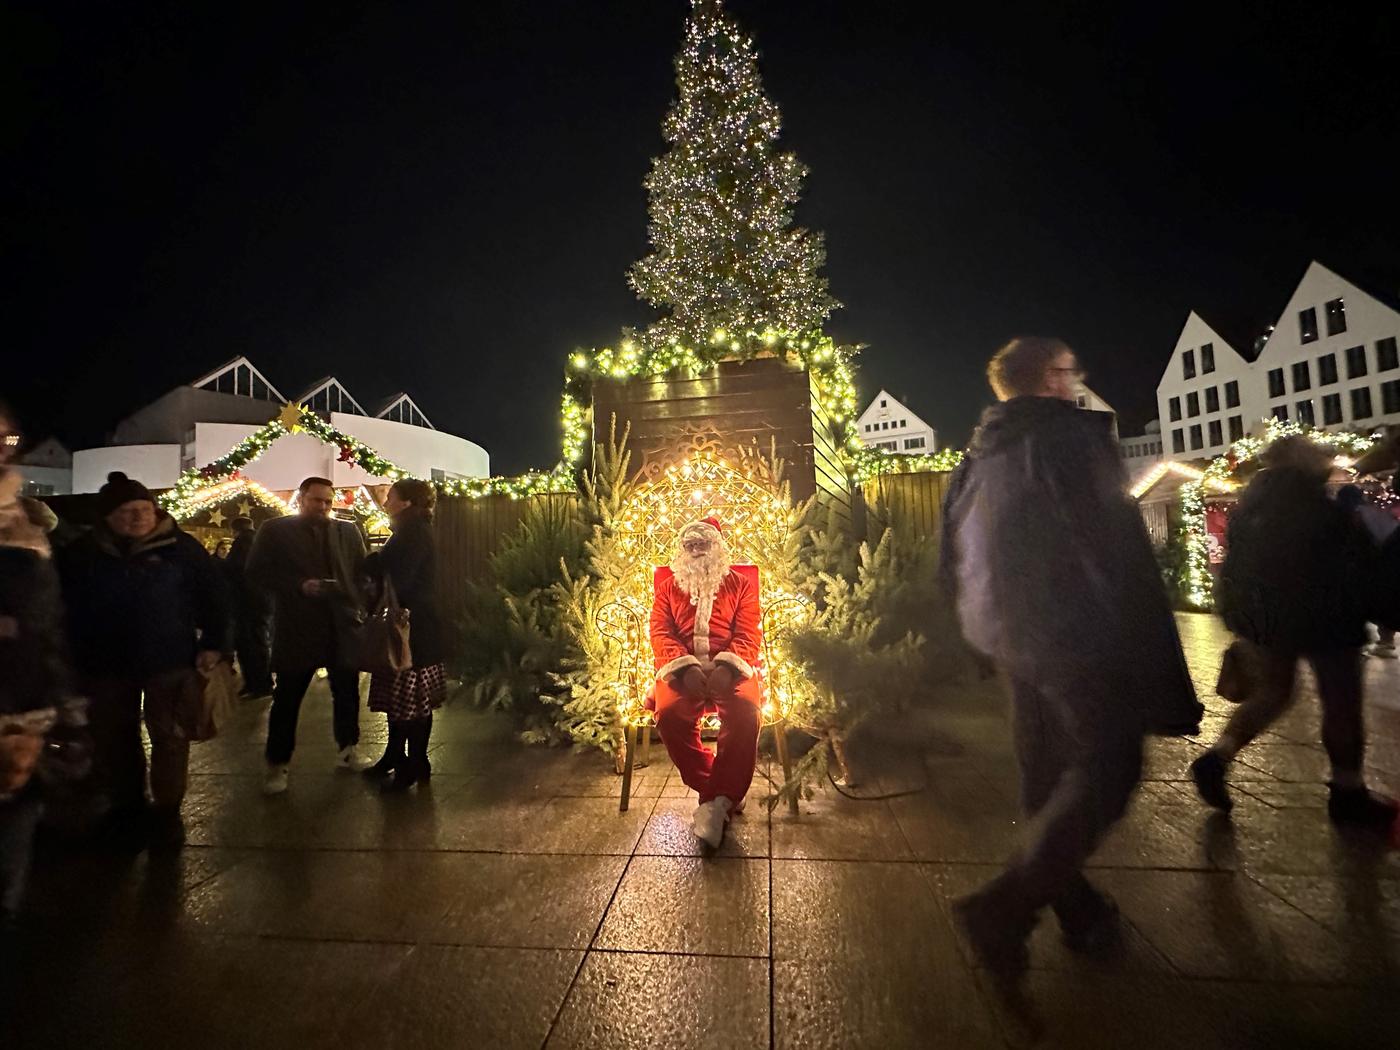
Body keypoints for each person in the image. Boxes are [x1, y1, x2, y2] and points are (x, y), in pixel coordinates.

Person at [940, 337, 1202, 982]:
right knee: (1109, 766)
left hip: (1010, 636)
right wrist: (1149, 651)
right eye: (1070, 372)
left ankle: (1078, 907)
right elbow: (1113, 544)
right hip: (1076, 633)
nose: (1075, 382)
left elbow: (949, 554)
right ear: (1054, 379)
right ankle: (1003, 909)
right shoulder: (1068, 439)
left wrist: (970, 635)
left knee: (1045, 770)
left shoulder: (977, 455)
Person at [1190, 439, 1396, 827]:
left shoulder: (1252, 506)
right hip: (1328, 619)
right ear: (1300, 459)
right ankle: (1348, 791)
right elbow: (1350, 556)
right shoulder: (1315, 503)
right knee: (1341, 701)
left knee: (1274, 693)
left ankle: (1217, 757)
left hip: (1269, 620)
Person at [56, 471, 229, 848]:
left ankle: (167, 811)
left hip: (168, 660)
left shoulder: (181, 548)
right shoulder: (83, 552)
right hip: (104, 663)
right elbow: (62, 605)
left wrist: (215, 643)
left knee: (169, 736)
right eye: (126, 511)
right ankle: (126, 805)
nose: (137, 517)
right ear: (107, 516)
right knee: (115, 738)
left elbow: (215, 597)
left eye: (143, 508)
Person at [0, 406, 86, 949]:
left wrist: (64, 704)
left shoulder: (24, 526)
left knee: (14, 826)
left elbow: (46, 625)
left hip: (22, 705)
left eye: (5, 435)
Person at [247, 477, 369, 794]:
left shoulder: (346, 530)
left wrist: (356, 598)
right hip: (296, 626)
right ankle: (277, 763)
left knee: (347, 692)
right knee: (287, 698)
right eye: (317, 501)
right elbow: (257, 573)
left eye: (328, 502)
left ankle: (348, 747)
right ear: (301, 498)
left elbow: (360, 570)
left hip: (339, 624)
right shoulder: (275, 530)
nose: (324, 508)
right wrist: (298, 585)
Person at [650, 516, 763, 848]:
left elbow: (748, 631)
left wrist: (728, 666)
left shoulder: (740, 585)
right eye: (690, 545)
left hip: (731, 668)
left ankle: (713, 803)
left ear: (718, 547)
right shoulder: (669, 588)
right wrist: (684, 669)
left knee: (746, 711)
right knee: (669, 715)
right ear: (682, 550)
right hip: (682, 671)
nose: (697, 551)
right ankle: (722, 794)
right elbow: (660, 631)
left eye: (703, 544)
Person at [363, 480, 446, 792]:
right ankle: (401, 757)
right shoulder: (413, 530)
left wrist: (374, 563)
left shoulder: (410, 534)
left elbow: (402, 580)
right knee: (409, 703)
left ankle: (410, 763)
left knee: (409, 702)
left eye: (391, 497)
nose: (385, 502)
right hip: (417, 628)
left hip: (410, 631)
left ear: (407, 503)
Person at [224, 517, 273, 697]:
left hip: (247, 603)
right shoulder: (260, 542)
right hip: (261, 602)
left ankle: (257, 684)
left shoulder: (241, 545)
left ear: (234, 530)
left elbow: (237, 572)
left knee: (249, 645)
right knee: (258, 643)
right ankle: (259, 682)